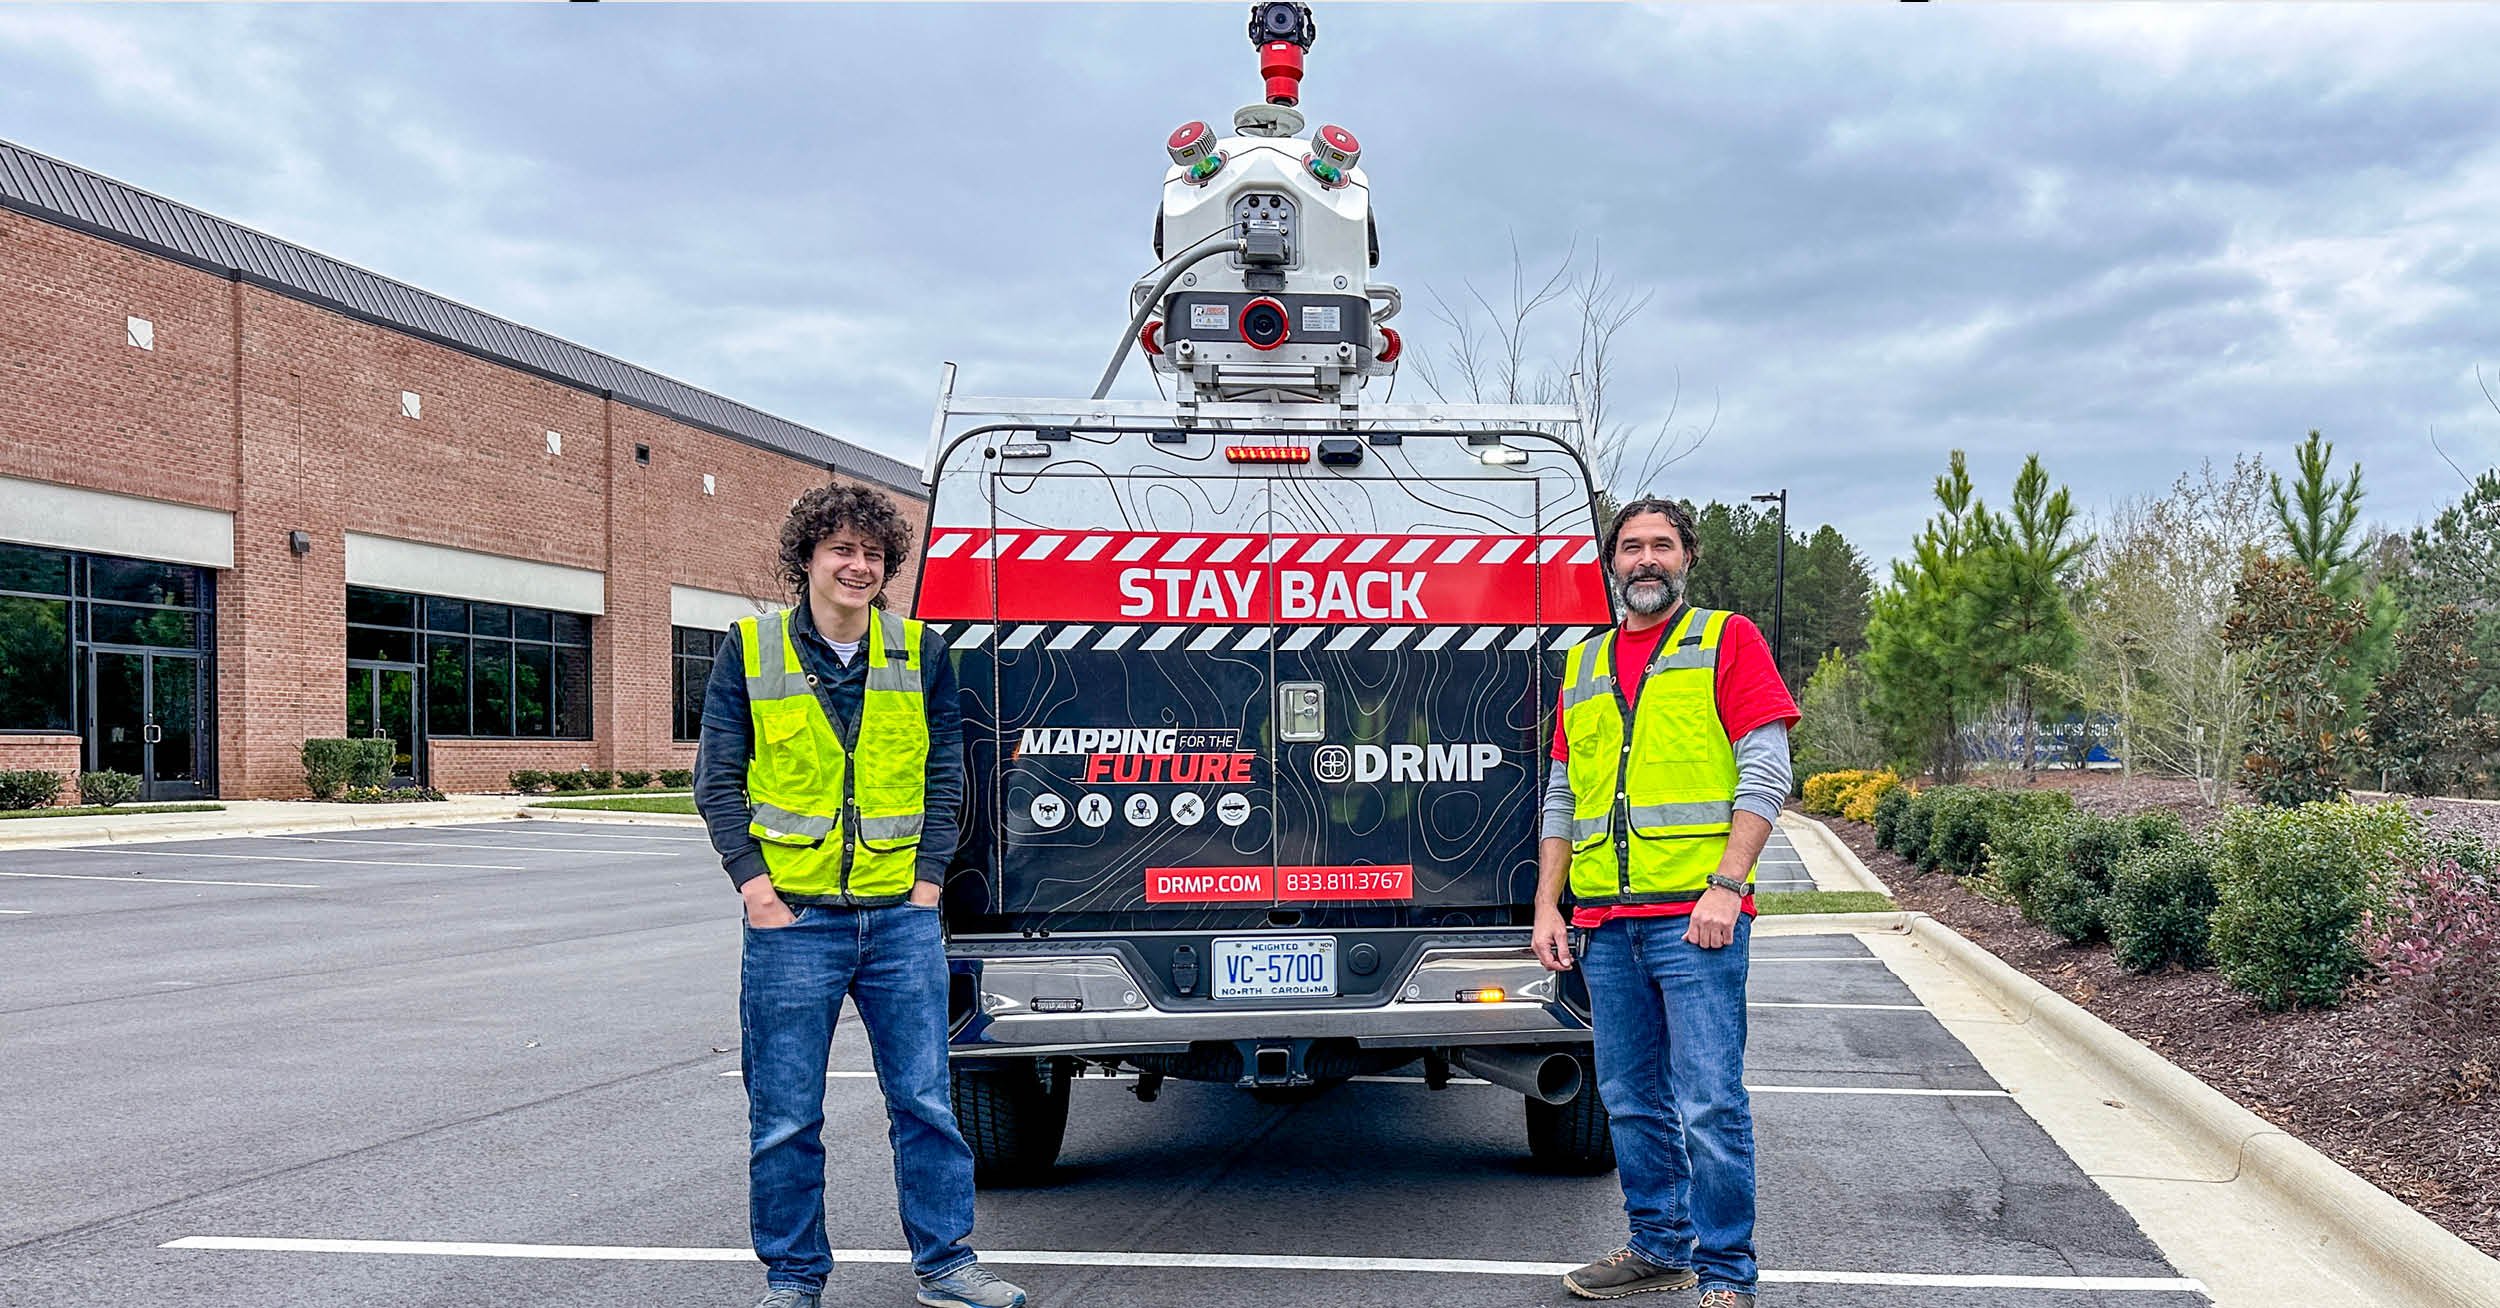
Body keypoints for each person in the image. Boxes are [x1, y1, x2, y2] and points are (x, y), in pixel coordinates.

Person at [696, 483, 1027, 1308]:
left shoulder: (921, 652)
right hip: (793, 922)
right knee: (785, 1118)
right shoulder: (749, 650)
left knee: (924, 1103)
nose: (858, 565)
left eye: (873, 555)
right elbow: (717, 783)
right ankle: (794, 1278)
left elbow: (947, 776)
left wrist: (925, 887)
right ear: (805, 558)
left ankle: (947, 1266)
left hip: (899, 921)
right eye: (841, 549)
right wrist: (757, 890)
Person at [1535, 496, 1799, 1306]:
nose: (1646, 559)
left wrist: (1726, 886)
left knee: (1711, 1102)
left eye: (1662, 545)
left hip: (1697, 921)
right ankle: (1658, 1246)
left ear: (1686, 558)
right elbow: (1561, 796)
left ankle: (1727, 1274)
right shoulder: (1581, 666)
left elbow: (1767, 772)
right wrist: (1549, 906)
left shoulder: (1726, 640)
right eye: (1630, 547)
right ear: (1610, 563)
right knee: (1627, 1097)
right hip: (1605, 925)